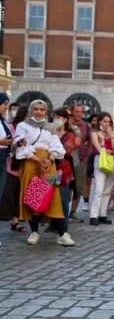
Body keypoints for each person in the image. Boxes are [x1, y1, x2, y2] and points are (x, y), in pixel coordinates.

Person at [15, 100, 74, 246]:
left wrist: (50, 159)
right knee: (34, 199)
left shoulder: (50, 127)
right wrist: (37, 160)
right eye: (36, 109)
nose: (39, 112)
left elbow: (57, 146)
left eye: (42, 109)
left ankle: (62, 233)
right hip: (31, 163)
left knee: (53, 198)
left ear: (46, 112)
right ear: (30, 110)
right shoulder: (23, 126)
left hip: (48, 164)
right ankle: (34, 232)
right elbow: (20, 145)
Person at [0, 104, 27, 232]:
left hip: (26, 166)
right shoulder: (10, 127)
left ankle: (16, 221)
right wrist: (16, 144)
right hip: (11, 165)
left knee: (20, 194)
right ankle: (5, 217)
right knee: (8, 192)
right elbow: (9, 144)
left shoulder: (36, 129)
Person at [89, 112, 114, 226]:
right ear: (100, 121)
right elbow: (98, 148)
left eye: (109, 122)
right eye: (104, 121)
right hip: (100, 160)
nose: (107, 124)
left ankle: (103, 214)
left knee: (108, 189)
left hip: (110, 161)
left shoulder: (112, 135)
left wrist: (111, 134)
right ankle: (93, 215)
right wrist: (106, 149)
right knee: (99, 189)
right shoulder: (95, 133)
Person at [52, 108, 77, 233]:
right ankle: (49, 224)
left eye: (60, 117)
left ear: (65, 119)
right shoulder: (48, 132)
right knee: (46, 196)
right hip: (49, 168)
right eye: (55, 117)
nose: (57, 120)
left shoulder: (70, 134)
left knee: (63, 198)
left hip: (63, 170)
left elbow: (67, 150)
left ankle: (63, 227)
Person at [69, 103, 93, 220]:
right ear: (72, 112)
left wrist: (87, 155)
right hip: (66, 158)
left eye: (81, 112)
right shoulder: (66, 124)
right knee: (63, 185)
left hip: (81, 159)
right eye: (76, 111)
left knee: (78, 187)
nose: (79, 114)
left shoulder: (86, 126)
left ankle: (73, 212)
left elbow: (91, 142)